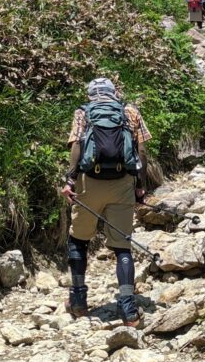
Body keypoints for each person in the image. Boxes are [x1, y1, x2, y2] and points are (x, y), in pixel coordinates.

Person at [61, 78, 150, 327]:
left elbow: (76, 146)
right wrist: (140, 187)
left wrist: (70, 180)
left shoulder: (83, 113)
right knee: (122, 246)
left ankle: (78, 301)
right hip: (122, 183)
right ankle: (129, 310)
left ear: (91, 95)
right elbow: (142, 152)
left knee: (79, 239)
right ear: (114, 93)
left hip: (89, 183)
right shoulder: (129, 111)